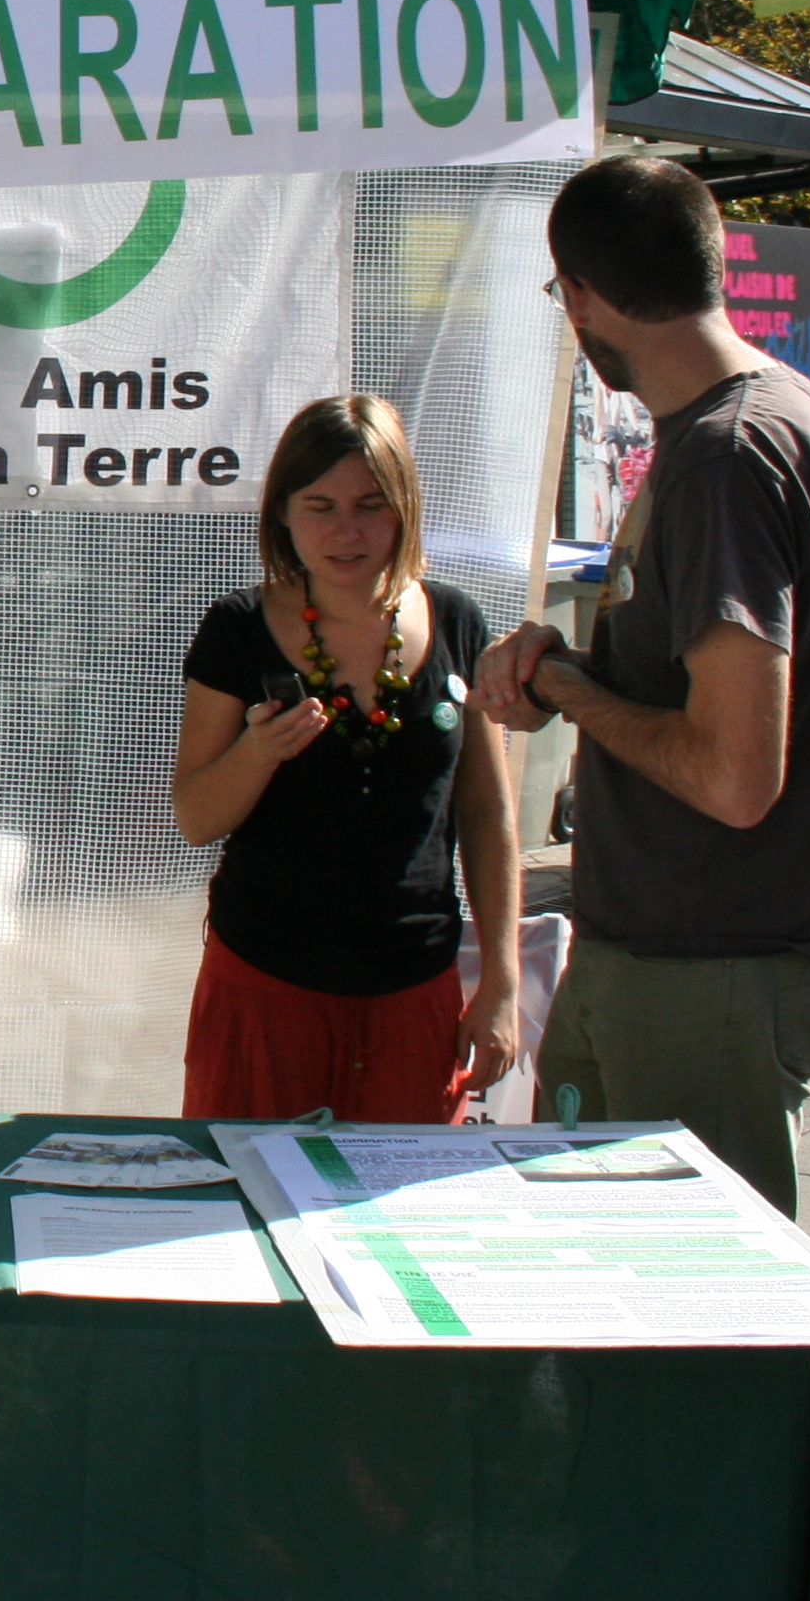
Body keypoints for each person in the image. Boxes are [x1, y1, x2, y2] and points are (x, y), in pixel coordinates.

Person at [473, 156, 810, 1216]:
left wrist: (567, 690)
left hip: (716, 962)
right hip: (666, 946)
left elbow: (736, 775)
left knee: (698, 1322)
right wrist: (577, 676)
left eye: (562, 297)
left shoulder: (728, 458)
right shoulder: (777, 417)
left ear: (584, 296)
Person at [170, 394, 522, 1123]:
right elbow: (196, 817)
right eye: (319, 505)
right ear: (283, 515)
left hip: (415, 983)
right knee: (246, 1202)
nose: (346, 531)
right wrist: (259, 751)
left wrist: (502, 983)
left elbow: (487, 816)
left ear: (406, 507)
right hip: (266, 980)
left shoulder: (456, 619)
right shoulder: (237, 629)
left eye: (371, 504)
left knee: (398, 1218)